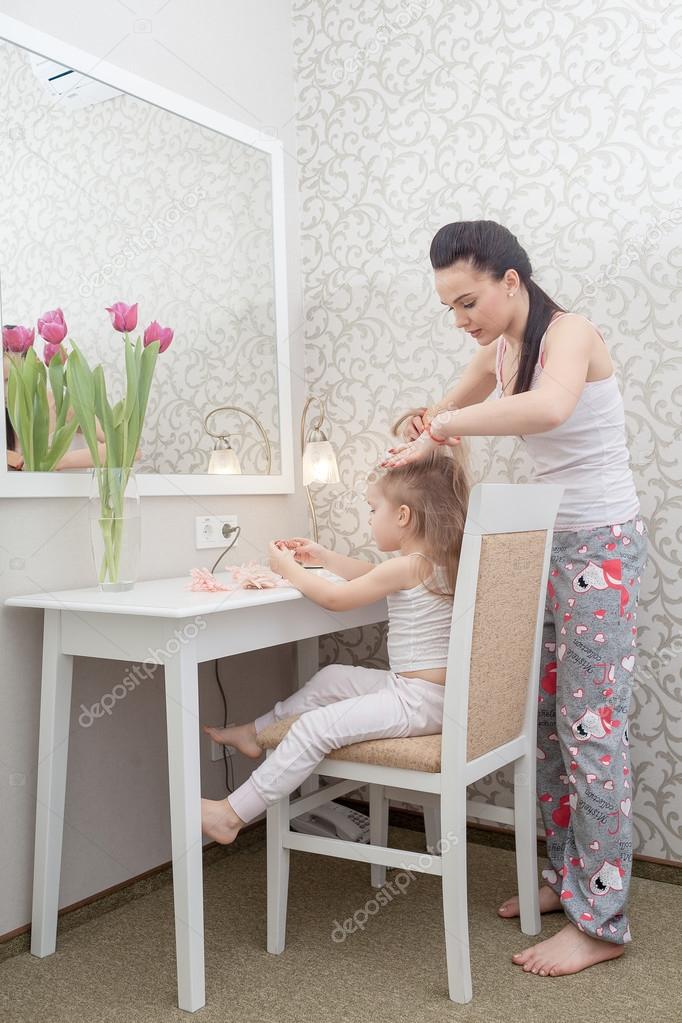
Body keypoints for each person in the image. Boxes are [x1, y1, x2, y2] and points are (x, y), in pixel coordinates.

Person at [380, 219, 648, 979]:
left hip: (600, 544)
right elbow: (440, 416)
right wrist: (422, 435)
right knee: (546, 720)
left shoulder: (570, 333)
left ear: (510, 281)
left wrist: (451, 424)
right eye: (450, 310)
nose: (461, 321)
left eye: (468, 302)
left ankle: (604, 920)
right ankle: (572, 880)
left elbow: (548, 409)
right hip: (548, 544)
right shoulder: (497, 351)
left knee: (593, 729)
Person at [201, 446, 470, 845]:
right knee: (331, 678)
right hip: (427, 695)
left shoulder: (407, 566)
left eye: (373, 509)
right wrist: (324, 558)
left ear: (403, 516)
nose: (369, 518)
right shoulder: (439, 560)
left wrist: (287, 569)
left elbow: (334, 600)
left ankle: (231, 814)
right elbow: (372, 576)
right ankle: (255, 733)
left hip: (418, 701)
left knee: (314, 729)